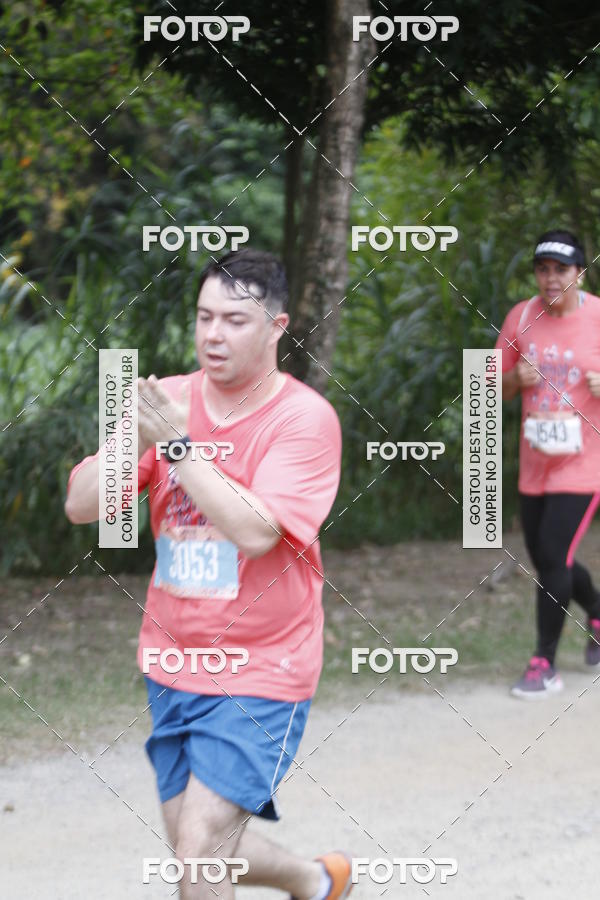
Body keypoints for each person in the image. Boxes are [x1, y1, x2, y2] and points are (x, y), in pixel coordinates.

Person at [65, 249, 353, 898]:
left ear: (277, 327)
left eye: (234, 320)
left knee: (199, 850)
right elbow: (82, 506)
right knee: (197, 845)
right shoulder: (167, 399)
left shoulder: (303, 420)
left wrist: (175, 445)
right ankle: (314, 879)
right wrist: (139, 441)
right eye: (204, 317)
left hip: (264, 667)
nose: (213, 334)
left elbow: (254, 531)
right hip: (172, 660)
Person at [496, 230, 600, 700]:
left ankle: (543, 663)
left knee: (554, 554)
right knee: (546, 559)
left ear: (580, 272)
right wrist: (513, 378)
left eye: (561, 269)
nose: (551, 278)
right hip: (535, 460)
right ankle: (597, 613)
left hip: (586, 460)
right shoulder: (520, 316)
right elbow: (487, 391)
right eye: (543, 269)